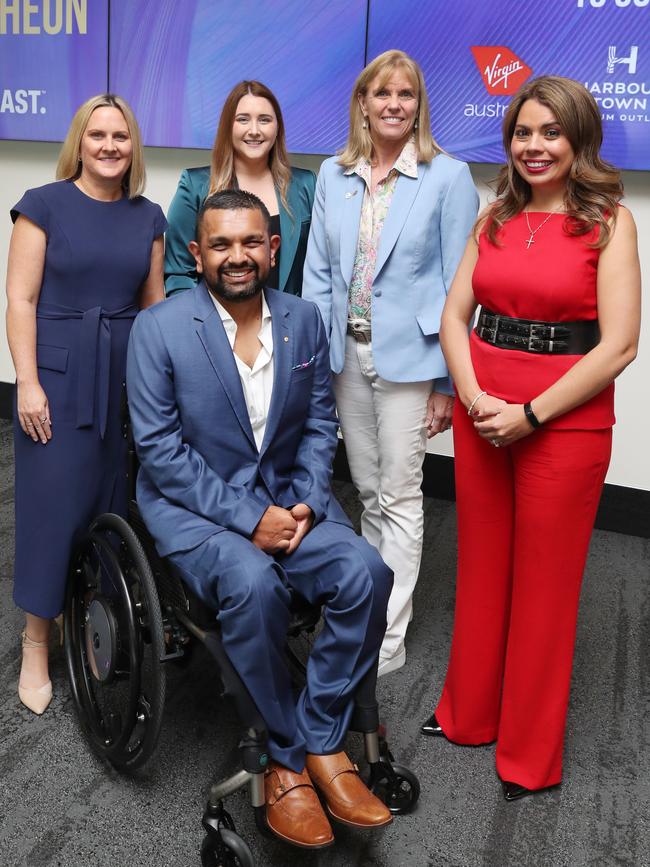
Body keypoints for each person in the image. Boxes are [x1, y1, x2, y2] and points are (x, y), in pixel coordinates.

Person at [127, 189, 394, 849]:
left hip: (291, 502)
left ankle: (322, 738)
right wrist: (251, 519)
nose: (237, 256)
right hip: (200, 511)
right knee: (253, 585)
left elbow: (318, 422)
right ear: (197, 253)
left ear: (274, 249)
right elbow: (161, 453)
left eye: (251, 242)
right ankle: (285, 755)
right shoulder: (158, 327)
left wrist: (303, 497)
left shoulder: (303, 319)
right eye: (221, 244)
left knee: (366, 572)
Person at [421, 76, 641, 800]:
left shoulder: (611, 222)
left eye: (550, 132)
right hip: (485, 413)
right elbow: (456, 318)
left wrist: (532, 413)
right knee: (481, 569)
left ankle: (528, 753)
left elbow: (618, 347)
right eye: (523, 133)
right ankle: (467, 714)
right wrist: (477, 397)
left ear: (578, 139)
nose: (534, 146)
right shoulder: (494, 218)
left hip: (563, 426)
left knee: (545, 589)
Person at [302, 50, 478, 676]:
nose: (394, 104)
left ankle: (386, 634)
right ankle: (363, 606)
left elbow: (462, 286)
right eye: (382, 94)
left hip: (412, 362)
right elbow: (319, 271)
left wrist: (448, 385)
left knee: (401, 495)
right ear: (363, 103)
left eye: (406, 94)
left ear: (418, 103)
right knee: (369, 491)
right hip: (344, 355)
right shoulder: (333, 174)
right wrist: (314, 357)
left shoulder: (447, 177)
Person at [7, 94, 166, 716]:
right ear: (80, 140)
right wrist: (26, 382)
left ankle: (96, 617)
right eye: (97, 134)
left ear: (133, 146)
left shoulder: (148, 215)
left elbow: (153, 309)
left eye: (120, 136)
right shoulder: (43, 205)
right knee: (54, 509)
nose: (109, 146)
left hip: (123, 377)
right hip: (56, 377)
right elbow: (21, 300)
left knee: (113, 502)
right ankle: (37, 642)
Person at [164, 80, 315, 297]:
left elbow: (320, 267)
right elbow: (178, 273)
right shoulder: (195, 186)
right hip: (214, 327)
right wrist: (202, 326)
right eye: (243, 120)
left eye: (264, 120)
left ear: (277, 127)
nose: (254, 131)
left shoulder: (306, 185)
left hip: (286, 325)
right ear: (228, 126)